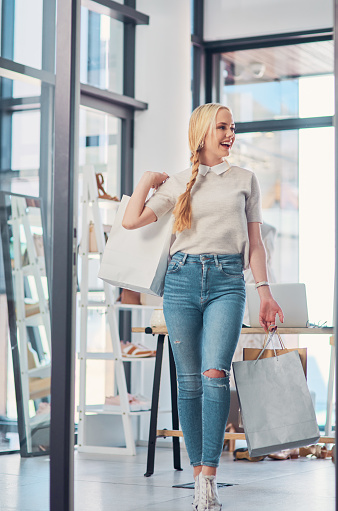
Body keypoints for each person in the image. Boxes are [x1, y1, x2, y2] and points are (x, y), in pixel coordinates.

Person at [122, 103, 284, 511]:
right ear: (202, 132)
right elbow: (131, 221)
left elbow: (256, 243)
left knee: (215, 374)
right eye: (223, 127)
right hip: (181, 281)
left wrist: (265, 292)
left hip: (229, 282)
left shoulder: (245, 179)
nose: (231, 134)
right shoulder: (179, 183)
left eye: (233, 128)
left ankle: (208, 477)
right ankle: (196, 477)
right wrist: (146, 180)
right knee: (189, 381)